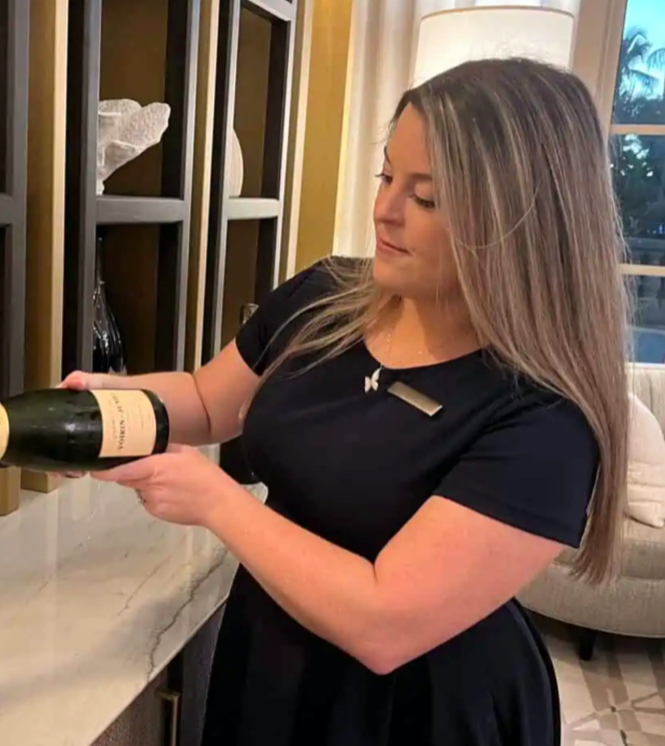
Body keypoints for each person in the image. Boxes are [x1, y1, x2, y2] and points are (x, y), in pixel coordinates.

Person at [62, 58, 630, 745]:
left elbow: (385, 622)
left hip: (419, 709)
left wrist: (216, 500)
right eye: (386, 176)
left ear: (521, 221)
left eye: (426, 197)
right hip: (271, 655)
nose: (384, 210)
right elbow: (208, 403)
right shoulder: (324, 296)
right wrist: (103, 402)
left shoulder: (544, 419)